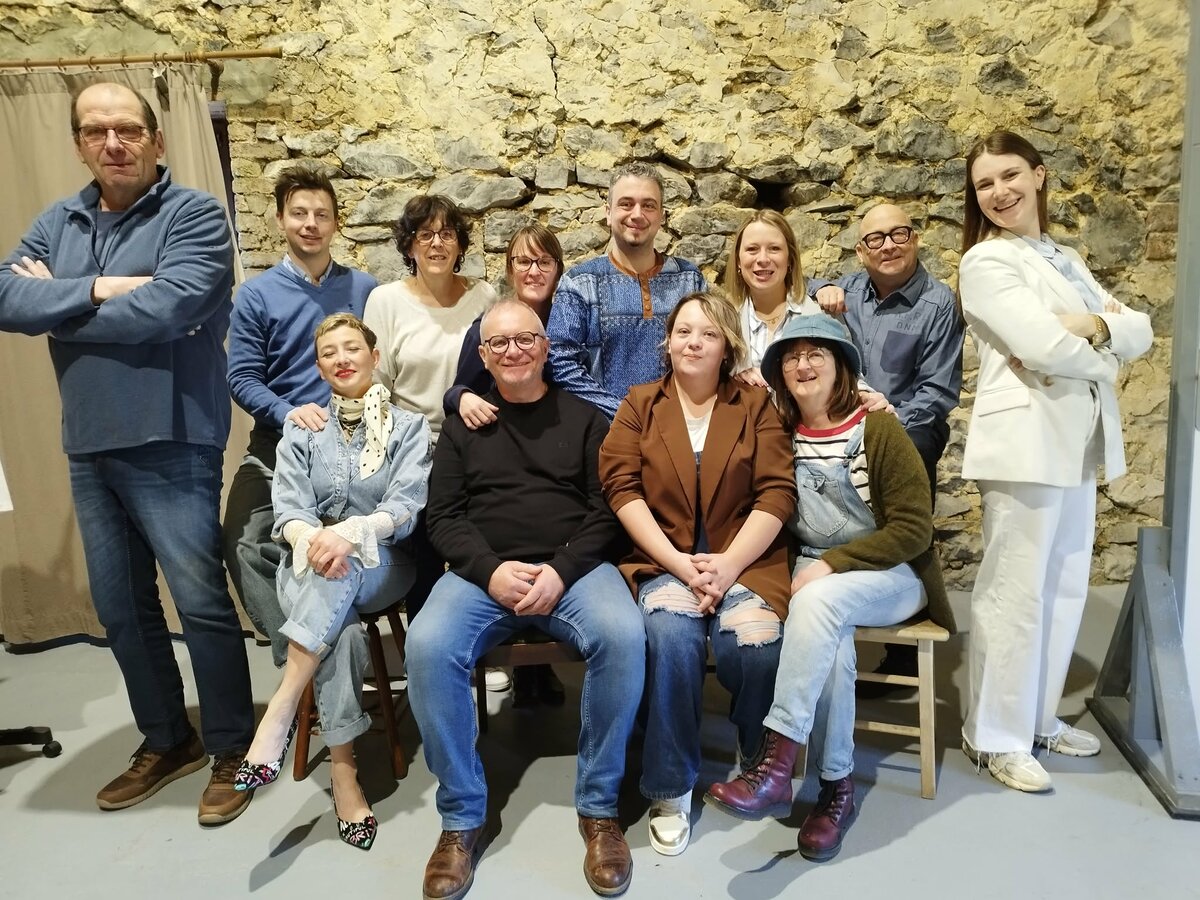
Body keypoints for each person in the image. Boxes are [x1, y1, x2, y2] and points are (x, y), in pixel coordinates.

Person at [0, 81, 254, 824]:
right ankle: (167, 739)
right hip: (89, 441)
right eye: (95, 131)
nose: (113, 143)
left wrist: (60, 302)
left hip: (174, 434)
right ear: (79, 144)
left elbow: (175, 304)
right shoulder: (60, 220)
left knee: (199, 601)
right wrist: (107, 287)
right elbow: (6, 298)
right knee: (120, 608)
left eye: (127, 129)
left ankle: (234, 748)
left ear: (156, 139)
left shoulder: (194, 215)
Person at [407, 300, 644, 899]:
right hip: (484, 575)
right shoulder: (463, 427)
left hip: (572, 571)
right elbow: (443, 517)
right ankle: (461, 818)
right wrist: (489, 572)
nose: (513, 351)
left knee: (623, 636)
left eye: (524, 339)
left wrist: (561, 570)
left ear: (545, 347)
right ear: (483, 357)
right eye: (499, 343)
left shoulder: (586, 419)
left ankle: (599, 809)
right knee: (428, 645)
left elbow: (606, 511)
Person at [702, 314, 956, 861]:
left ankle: (774, 765)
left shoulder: (876, 428)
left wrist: (836, 563)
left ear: (842, 367)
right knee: (831, 639)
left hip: (892, 575)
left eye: (817, 353)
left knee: (818, 599)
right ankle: (836, 788)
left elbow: (914, 530)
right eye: (792, 357)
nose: (803, 365)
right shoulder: (781, 433)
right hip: (817, 579)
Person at [957, 131, 1151, 793]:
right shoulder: (987, 262)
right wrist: (1105, 343)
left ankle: (1036, 719)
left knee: (1064, 587)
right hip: (1024, 442)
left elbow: (1141, 328)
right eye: (985, 184)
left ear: (1039, 175)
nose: (999, 192)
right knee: (1014, 593)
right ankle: (995, 736)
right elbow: (1040, 345)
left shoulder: (1064, 258)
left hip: (1075, 439)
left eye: (1010, 175)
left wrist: (1093, 325)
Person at [598, 292, 795, 857]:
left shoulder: (756, 405)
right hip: (665, 558)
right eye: (683, 331)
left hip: (746, 559)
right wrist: (679, 564)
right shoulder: (639, 403)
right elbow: (621, 488)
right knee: (671, 637)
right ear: (667, 342)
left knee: (757, 644)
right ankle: (670, 786)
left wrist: (728, 566)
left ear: (727, 346)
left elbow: (777, 492)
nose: (693, 343)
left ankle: (756, 756)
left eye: (708, 334)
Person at [232, 313, 431, 850]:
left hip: (382, 561)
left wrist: (349, 534)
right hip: (311, 562)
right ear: (319, 367)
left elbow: (406, 506)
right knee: (339, 630)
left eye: (352, 348)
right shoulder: (303, 428)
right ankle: (345, 775)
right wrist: (316, 540)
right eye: (329, 353)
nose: (342, 359)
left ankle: (282, 707)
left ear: (374, 357)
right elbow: (288, 510)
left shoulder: (408, 427)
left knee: (347, 564)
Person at [223, 165, 377, 667]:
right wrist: (290, 413)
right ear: (280, 220)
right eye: (299, 213)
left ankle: (326, 654)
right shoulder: (256, 295)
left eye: (321, 215)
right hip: (278, 442)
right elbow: (242, 378)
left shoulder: (365, 289)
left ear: (336, 223)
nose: (310, 223)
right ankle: (306, 660)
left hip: (355, 443)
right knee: (244, 542)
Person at [812, 203, 964, 687]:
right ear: (861, 251)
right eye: (875, 239)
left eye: (899, 234)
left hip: (908, 422)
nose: (888, 246)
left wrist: (890, 420)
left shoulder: (938, 304)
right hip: (847, 420)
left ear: (915, 239)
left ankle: (905, 626)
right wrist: (822, 287)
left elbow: (937, 392)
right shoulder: (850, 289)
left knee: (905, 471)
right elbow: (804, 285)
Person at [442, 223, 568, 706]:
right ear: (510, 269)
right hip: (506, 449)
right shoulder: (490, 324)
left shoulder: (572, 317)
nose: (533, 270)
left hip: (563, 447)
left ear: (558, 269)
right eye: (523, 261)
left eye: (544, 261)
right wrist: (462, 398)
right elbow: (459, 386)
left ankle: (543, 663)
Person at [364, 194, 497, 619]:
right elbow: (376, 387)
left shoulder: (483, 296)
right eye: (425, 235)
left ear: (460, 245)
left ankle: (482, 635)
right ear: (409, 245)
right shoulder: (385, 301)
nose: (437, 243)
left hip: (473, 441)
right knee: (423, 557)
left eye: (447, 234)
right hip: (411, 448)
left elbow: (495, 373)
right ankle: (428, 641)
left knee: (482, 548)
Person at [548, 162, 706, 418]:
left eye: (648, 205)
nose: (637, 214)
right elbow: (558, 362)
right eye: (626, 204)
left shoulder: (690, 280)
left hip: (681, 427)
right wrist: (624, 414)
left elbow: (711, 352)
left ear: (662, 216)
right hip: (607, 431)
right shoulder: (580, 284)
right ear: (608, 212)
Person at [722, 209, 819, 387]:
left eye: (774, 248)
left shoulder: (820, 314)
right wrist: (734, 378)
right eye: (752, 249)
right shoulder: (723, 321)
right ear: (738, 260)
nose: (763, 259)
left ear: (790, 259)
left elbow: (847, 376)